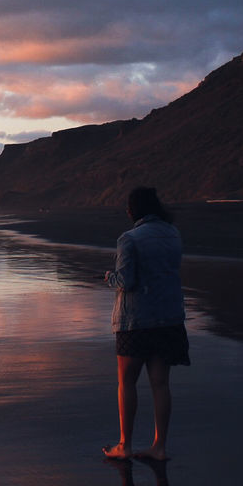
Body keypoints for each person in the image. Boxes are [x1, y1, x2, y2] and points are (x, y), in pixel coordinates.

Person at [102, 186, 189, 461]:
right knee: (160, 384)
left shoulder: (128, 239)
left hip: (136, 321)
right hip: (169, 318)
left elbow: (126, 281)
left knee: (126, 382)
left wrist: (109, 278)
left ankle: (124, 446)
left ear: (134, 209)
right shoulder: (173, 233)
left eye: (128, 206)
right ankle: (159, 447)